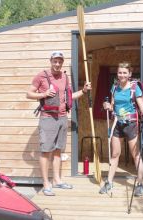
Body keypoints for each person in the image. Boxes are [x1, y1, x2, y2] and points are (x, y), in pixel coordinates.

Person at [26, 51, 91, 196]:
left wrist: (83, 91)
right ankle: (46, 183)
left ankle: (57, 180)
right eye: (55, 61)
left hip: (62, 118)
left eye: (60, 61)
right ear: (50, 61)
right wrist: (43, 94)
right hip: (48, 118)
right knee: (45, 152)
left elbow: (69, 97)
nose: (57, 64)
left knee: (57, 151)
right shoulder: (41, 76)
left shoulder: (64, 77)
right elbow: (28, 93)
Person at [100, 62, 143, 197]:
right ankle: (109, 182)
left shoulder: (135, 88)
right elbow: (112, 106)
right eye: (119, 72)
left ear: (129, 74)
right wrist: (107, 105)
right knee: (115, 154)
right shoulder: (115, 87)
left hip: (131, 124)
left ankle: (140, 184)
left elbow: (141, 107)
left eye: (124, 72)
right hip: (117, 123)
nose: (121, 75)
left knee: (136, 155)